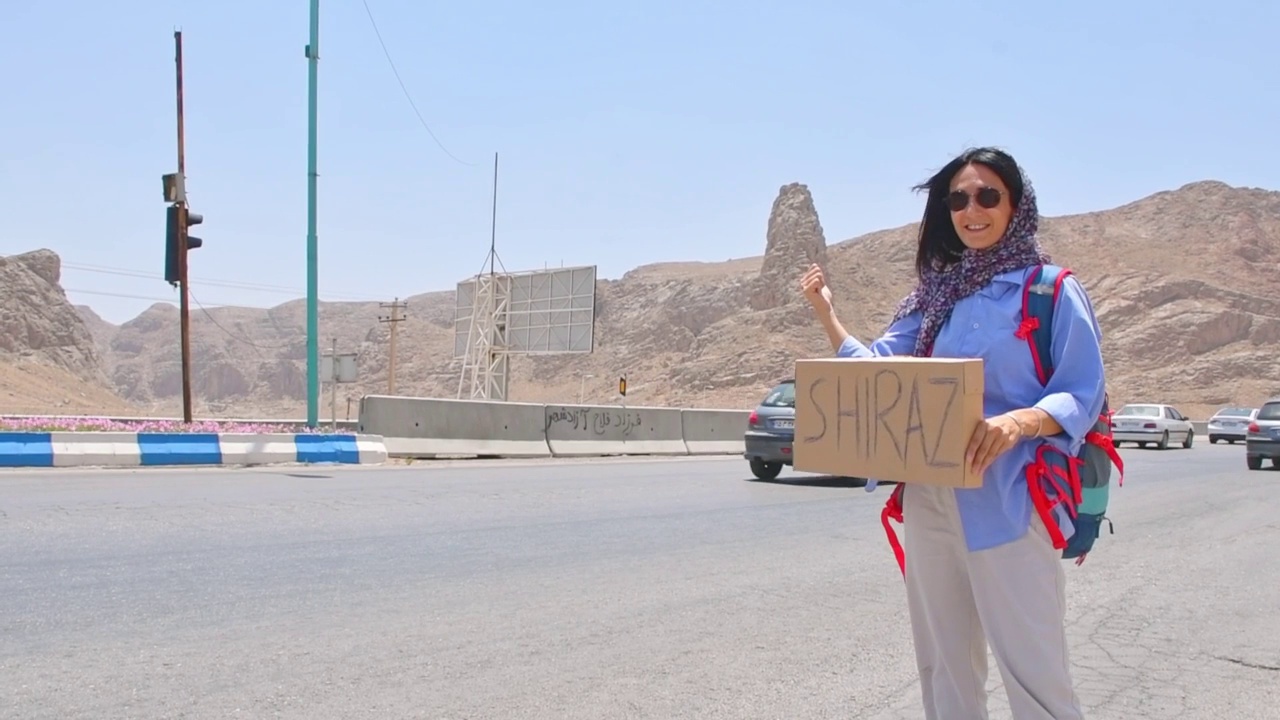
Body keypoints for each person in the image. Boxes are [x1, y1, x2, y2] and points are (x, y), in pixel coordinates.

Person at [800, 146, 1106, 719]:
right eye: (959, 199)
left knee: (1035, 674)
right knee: (944, 669)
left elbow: (1082, 389)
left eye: (988, 195)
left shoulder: (1051, 290)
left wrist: (1018, 422)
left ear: (1015, 205)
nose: (972, 210)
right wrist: (827, 313)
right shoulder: (934, 298)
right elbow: (877, 375)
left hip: (1010, 501)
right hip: (931, 503)